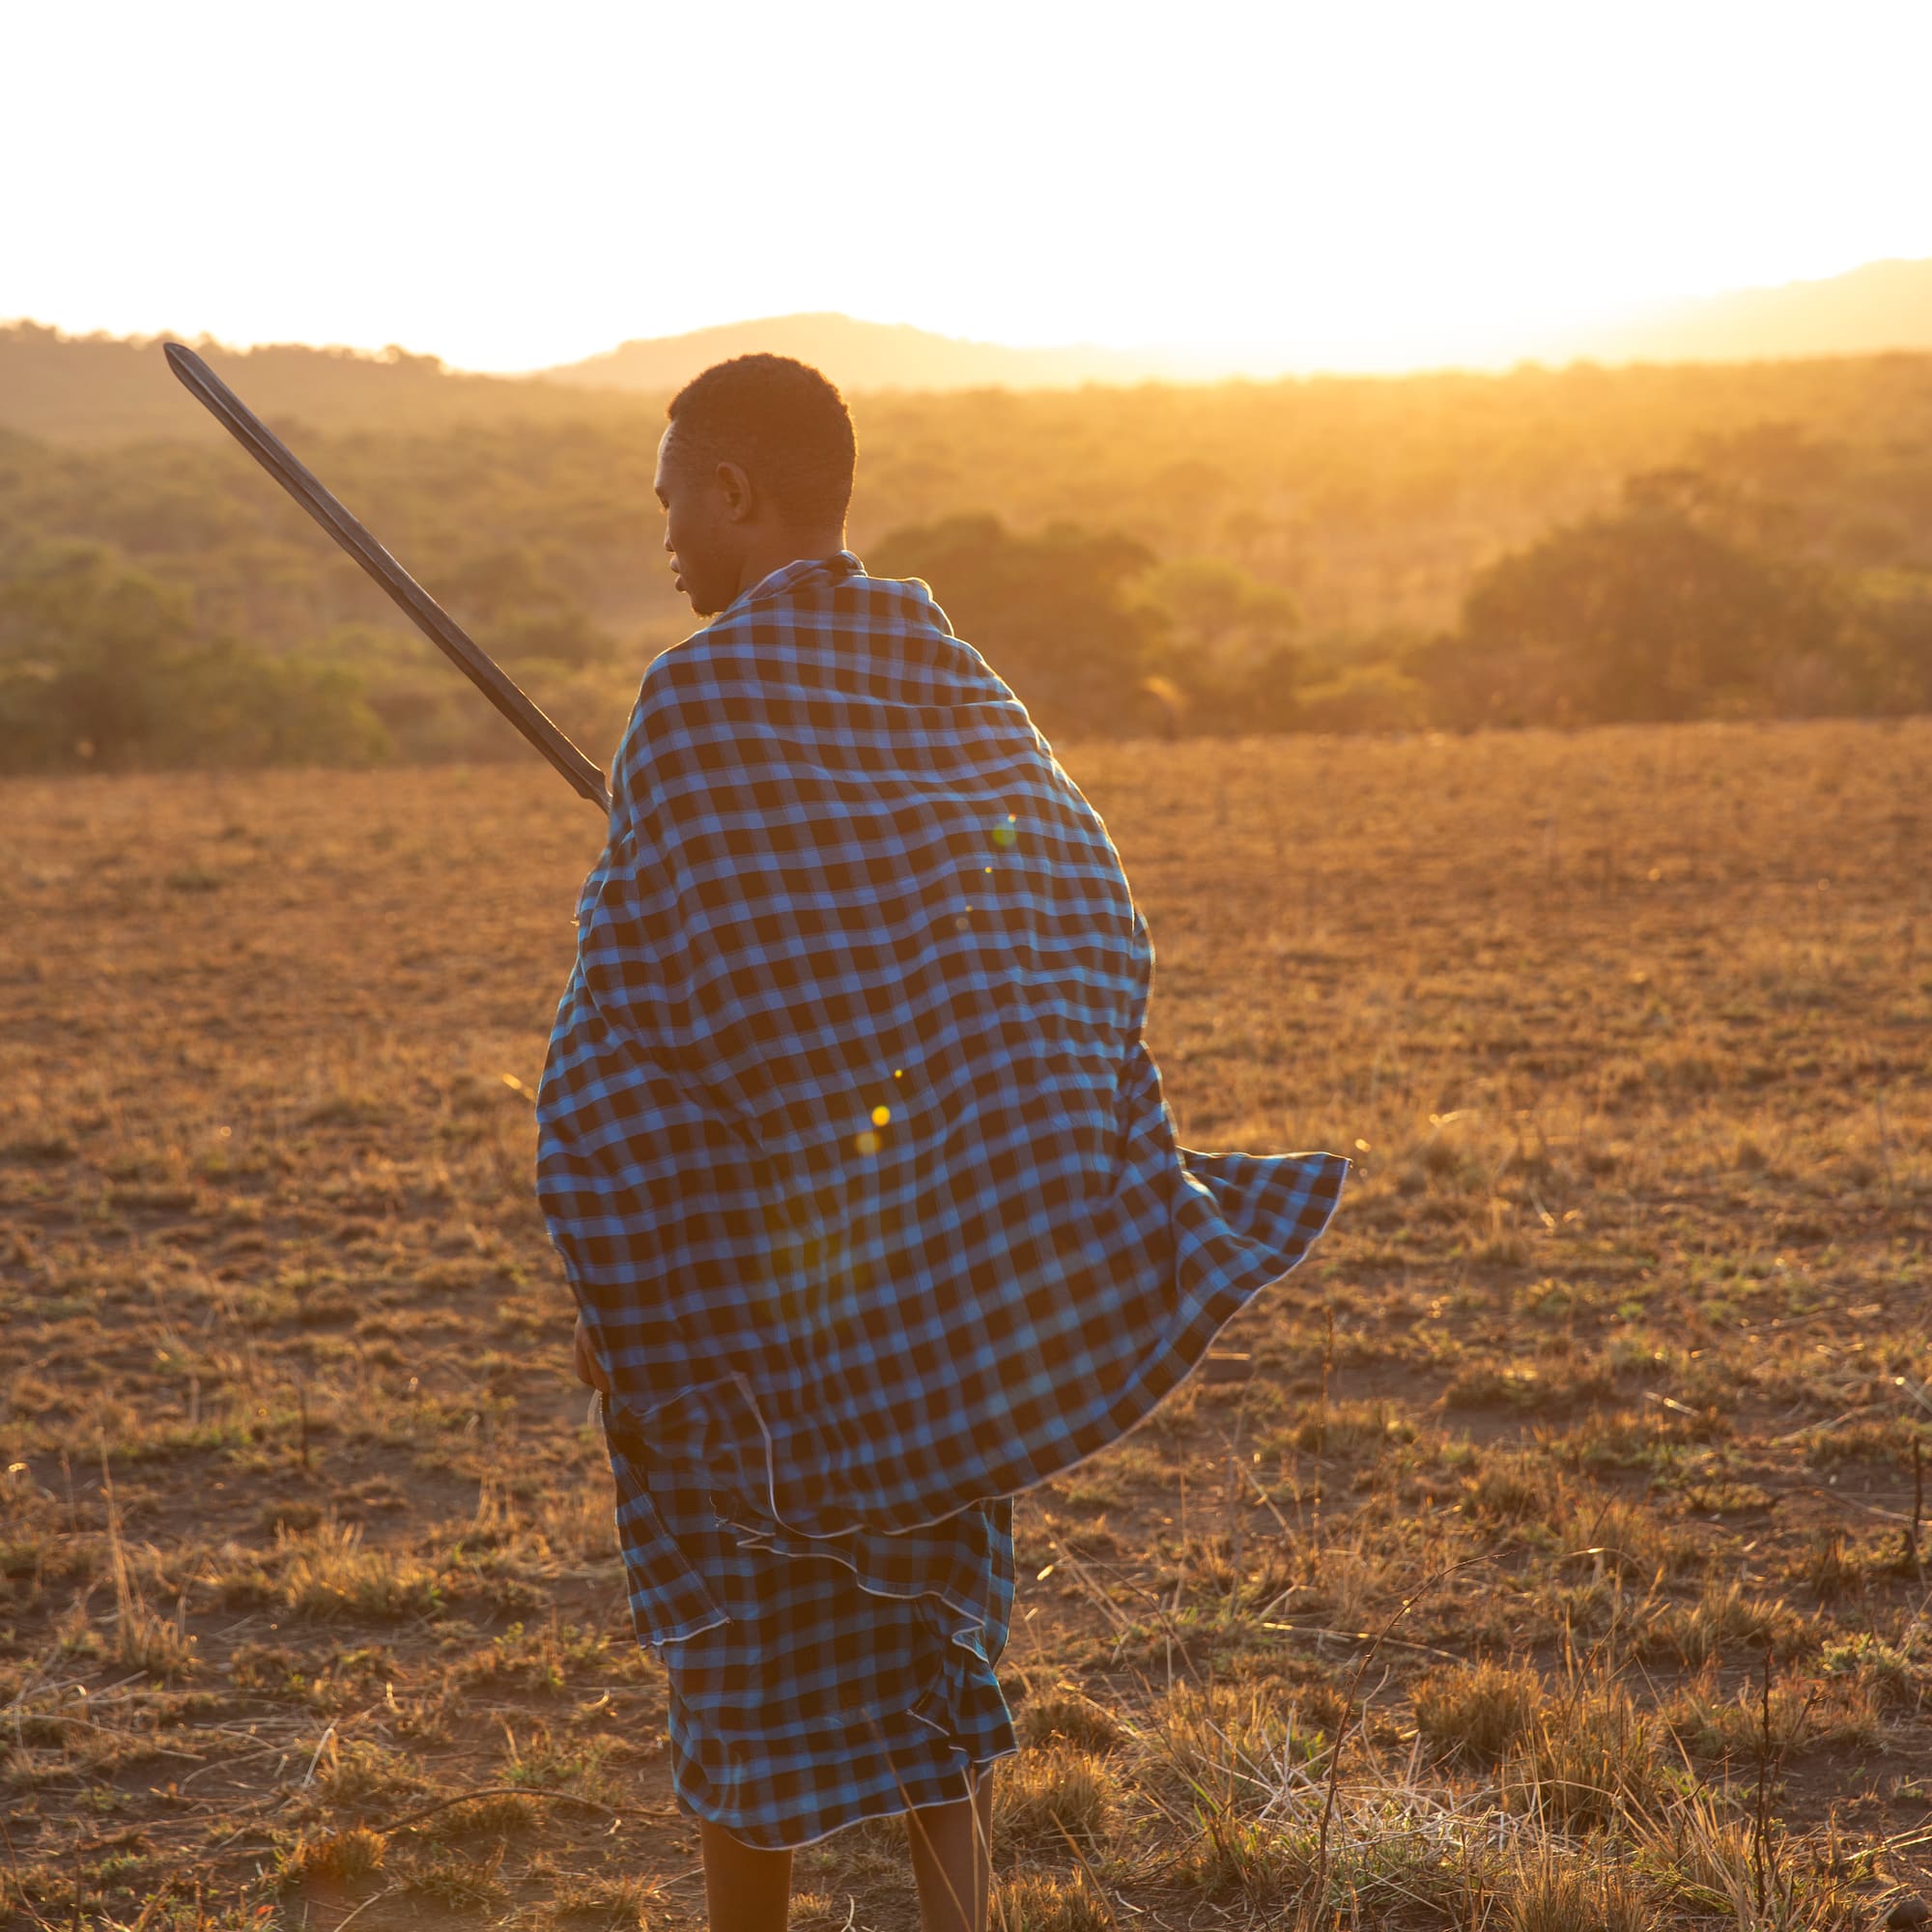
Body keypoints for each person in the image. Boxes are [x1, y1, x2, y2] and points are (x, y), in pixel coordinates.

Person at [535, 353, 1350, 1932]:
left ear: (733, 490)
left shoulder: (692, 704)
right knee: (931, 1631)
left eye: (668, 506)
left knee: (749, 1643)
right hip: (938, 1268)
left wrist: (622, 1290)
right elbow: (1080, 913)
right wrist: (995, 1143)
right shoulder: (943, 667)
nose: (666, 547)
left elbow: (628, 1038)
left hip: (773, 1286)